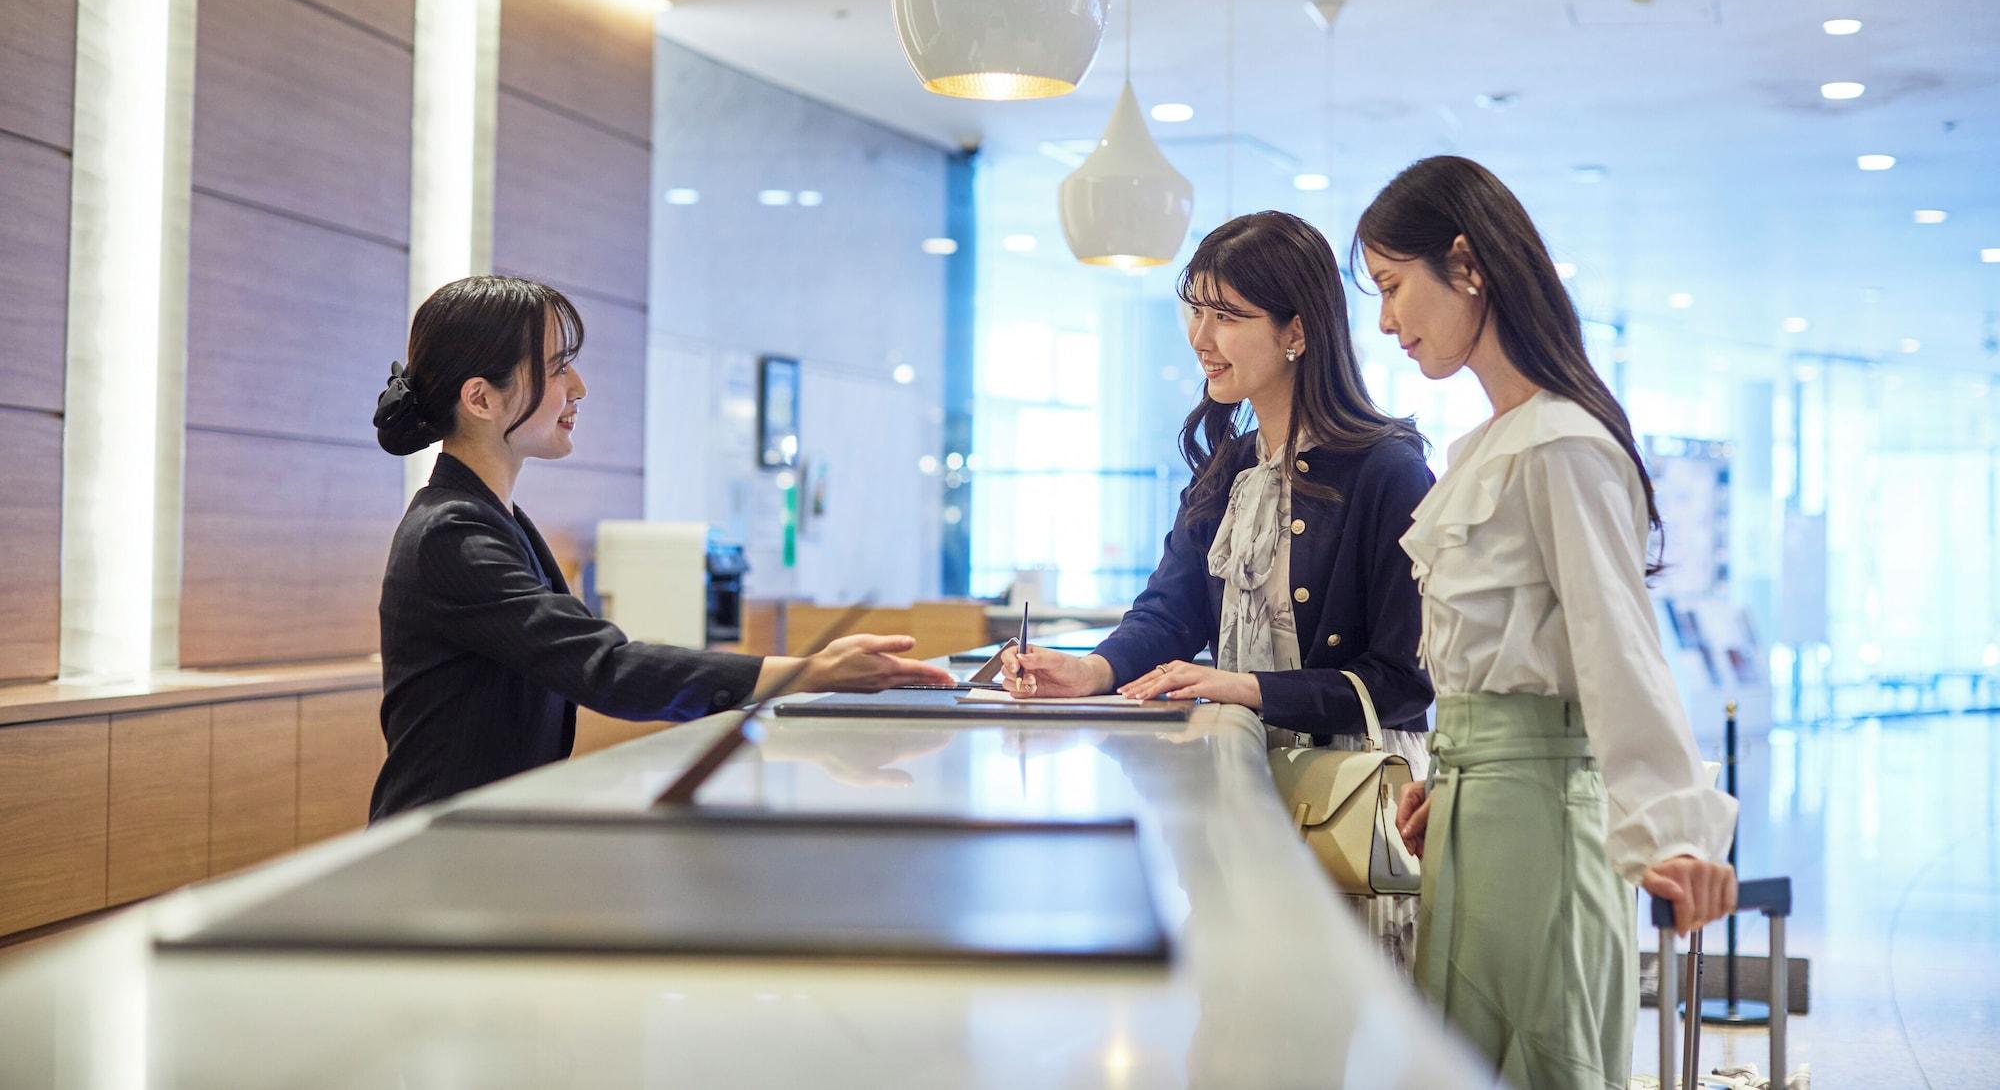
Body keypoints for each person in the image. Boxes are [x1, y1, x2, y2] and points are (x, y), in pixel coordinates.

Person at [1355, 156, 1737, 1086]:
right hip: (1476, 823)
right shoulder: (1488, 446)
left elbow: (1618, 650)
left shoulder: (1563, 442)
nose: (1386, 321)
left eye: (1394, 286)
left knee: (1542, 1060)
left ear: (1466, 263)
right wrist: (1460, 779)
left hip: (1544, 839)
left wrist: (1674, 830)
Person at [1002, 211, 1436, 963]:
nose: (1201, 337)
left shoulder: (1389, 472)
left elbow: (1403, 682)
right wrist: (1092, 670)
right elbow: (1168, 612)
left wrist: (1249, 688)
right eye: (1196, 310)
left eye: (1228, 315)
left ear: (1297, 330)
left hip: (1351, 806)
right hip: (1245, 796)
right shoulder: (1230, 467)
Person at [367, 275, 951, 821]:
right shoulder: (453, 533)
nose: (579, 387)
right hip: (433, 849)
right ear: (480, 399)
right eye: (558, 367)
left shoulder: (490, 518)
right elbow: (605, 668)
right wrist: (810, 672)